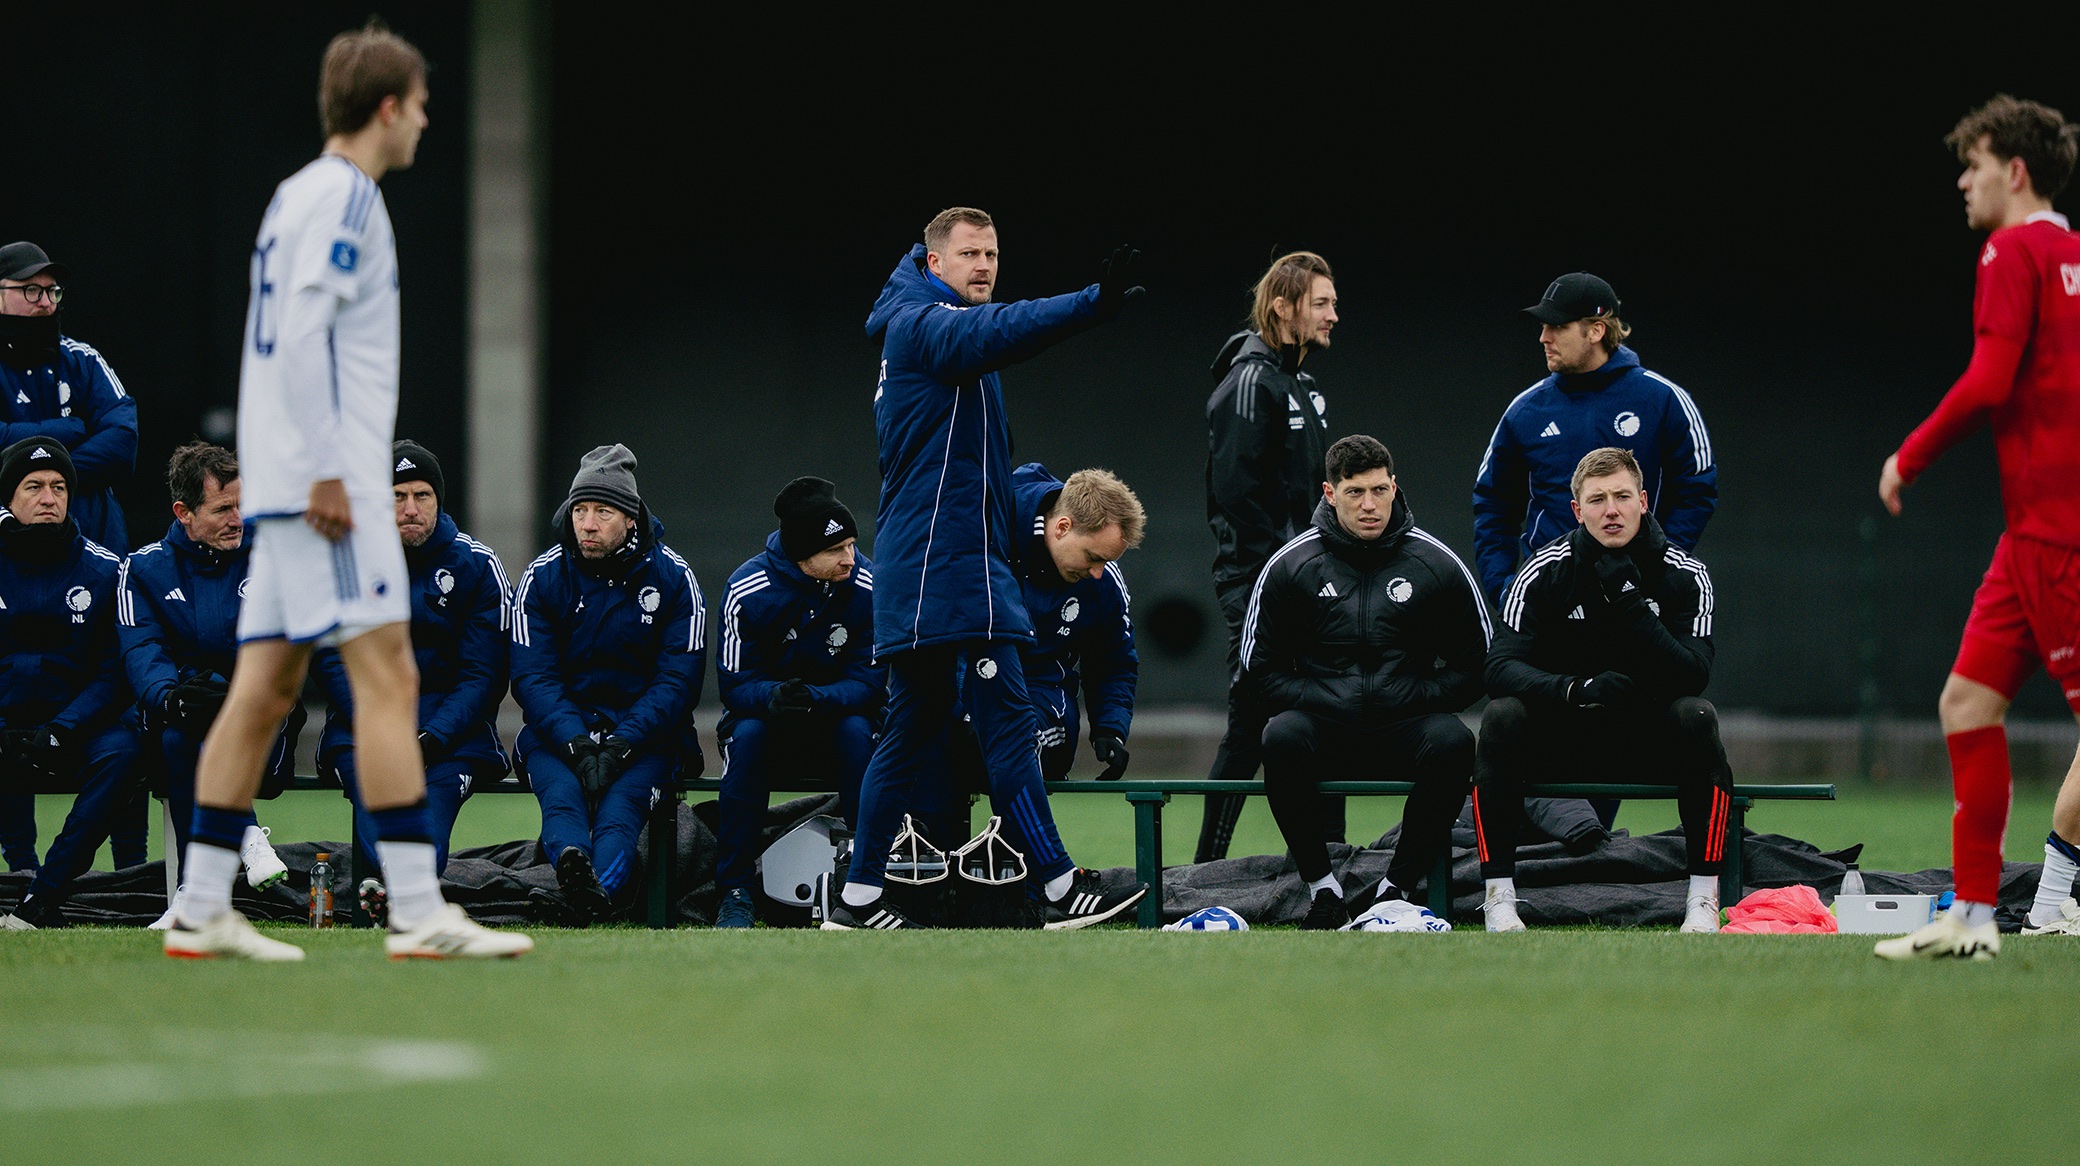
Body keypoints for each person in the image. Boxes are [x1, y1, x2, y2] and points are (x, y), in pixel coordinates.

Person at [163, 22, 530, 960]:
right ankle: (416, 909)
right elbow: (304, 334)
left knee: (262, 689)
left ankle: (202, 904)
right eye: (421, 106)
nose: (425, 124)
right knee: (388, 678)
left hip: (291, 483)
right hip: (324, 488)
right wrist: (330, 467)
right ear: (388, 108)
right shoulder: (350, 199)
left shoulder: (298, 193)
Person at [826, 205, 1148, 930]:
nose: (984, 268)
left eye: (993, 255)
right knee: (1007, 728)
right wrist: (1092, 304)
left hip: (940, 565)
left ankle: (856, 899)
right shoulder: (925, 326)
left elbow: (988, 468)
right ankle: (1060, 888)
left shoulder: (931, 328)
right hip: (950, 566)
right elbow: (1002, 330)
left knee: (910, 729)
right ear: (934, 263)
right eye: (970, 255)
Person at [1875, 96, 2080, 961]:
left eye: (1975, 165)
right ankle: (1974, 914)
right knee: (1965, 702)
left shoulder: (2012, 247)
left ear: (2016, 172)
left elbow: (1991, 378)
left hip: (2057, 531)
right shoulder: (2073, 253)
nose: (1965, 181)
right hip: (2029, 532)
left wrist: (1908, 457)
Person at [1474, 447, 1728, 934]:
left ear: (1644, 501)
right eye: (1597, 500)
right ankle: (1499, 897)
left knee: (1697, 716)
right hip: (1565, 738)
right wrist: (1574, 689)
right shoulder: (1545, 569)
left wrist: (1630, 603)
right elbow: (1499, 667)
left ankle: (1702, 898)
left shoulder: (1685, 574)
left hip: (1646, 742)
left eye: (1621, 496)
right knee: (1501, 718)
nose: (1611, 510)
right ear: (1577, 510)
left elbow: (1693, 674)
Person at [1240, 435, 1488, 930]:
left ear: (1395, 488)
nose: (1370, 505)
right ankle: (1322, 889)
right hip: (1326, 727)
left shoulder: (1435, 562)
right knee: (1280, 735)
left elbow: (1478, 661)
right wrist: (1328, 698)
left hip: (1405, 726)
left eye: (1379, 490)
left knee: (1454, 741)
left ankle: (1395, 890)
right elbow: (1258, 668)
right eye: (1355, 492)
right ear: (1330, 494)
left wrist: (1417, 696)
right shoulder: (1292, 564)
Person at [313, 440, 512, 923]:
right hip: (366, 723)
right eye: (397, 496)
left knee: (432, 808)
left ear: (439, 500)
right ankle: (395, 897)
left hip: (450, 734)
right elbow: (333, 658)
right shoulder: (347, 560)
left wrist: (432, 735)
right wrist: (380, 722)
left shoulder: (476, 565)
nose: (409, 509)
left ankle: (394, 895)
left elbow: (484, 673)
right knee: (373, 796)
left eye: (422, 495)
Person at [511, 444, 705, 926]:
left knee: (621, 812)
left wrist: (622, 743)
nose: (588, 524)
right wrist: (575, 742)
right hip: (560, 736)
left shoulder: (675, 579)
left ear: (631, 519)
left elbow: (678, 681)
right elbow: (533, 675)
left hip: (646, 740)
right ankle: (578, 877)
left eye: (603, 511)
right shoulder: (543, 577)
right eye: (580, 510)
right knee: (561, 798)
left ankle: (581, 899)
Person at [116, 442, 298, 928]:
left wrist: (242, 693)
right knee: (180, 733)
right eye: (222, 509)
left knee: (192, 732)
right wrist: (171, 697)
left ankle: (190, 893)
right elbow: (141, 651)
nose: (237, 518)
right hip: (178, 720)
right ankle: (245, 839)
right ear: (184, 512)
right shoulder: (145, 568)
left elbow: (292, 642)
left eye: (243, 505)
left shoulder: (273, 553)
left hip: (264, 719)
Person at [1197, 251, 1337, 864]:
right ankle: (1201, 874)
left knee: (1320, 722)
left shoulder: (1300, 386)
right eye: (1322, 303)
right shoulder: (1250, 383)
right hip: (1263, 585)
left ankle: (1331, 865)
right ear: (1284, 308)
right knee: (1251, 721)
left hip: (1305, 582)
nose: (1335, 315)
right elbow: (1236, 497)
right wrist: (1288, 573)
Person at [1473, 272, 1716, 607]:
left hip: (1637, 602)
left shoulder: (1663, 400)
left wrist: (1656, 570)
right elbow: (1493, 503)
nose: (1544, 337)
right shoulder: (1525, 410)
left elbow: (1697, 490)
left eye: (1557, 326)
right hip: (1550, 604)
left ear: (1596, 331)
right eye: (1543, 327)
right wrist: (1504, 589)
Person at [712, 476, 881, 928]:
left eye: (851, 544)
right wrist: (772, 696)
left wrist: (817, 698)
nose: (851, 557)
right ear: (803, 557)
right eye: (836, 550)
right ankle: (735, 891)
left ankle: (867, 886)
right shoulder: (747, 589)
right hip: (768, 724)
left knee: (857, 731)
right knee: (746, 736)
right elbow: (734, 684)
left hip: (836, 720)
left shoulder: (868, 585)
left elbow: (872, 679)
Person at [0, 438, 140, 929]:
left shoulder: (105, 570)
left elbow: (113, 671)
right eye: (33, 486)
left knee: (125, 751)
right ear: (9, 499)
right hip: (6, 723)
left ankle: (45, 891)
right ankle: (22, 871)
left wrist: (64, 727)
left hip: (72, 727)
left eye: (59, 487)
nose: (48, 497)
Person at [951, 462, 1141, 788]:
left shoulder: (1104, 581)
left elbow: (1114, 661)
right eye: (1093, 557)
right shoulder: (984, 532)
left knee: (1015, 736)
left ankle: (1018, 840)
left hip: (1042, 693)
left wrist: (1110, 728)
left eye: (1108, 562)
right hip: (962, 681)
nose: (1099, 572)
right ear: (1062, 527)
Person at [0, 241, 140, 553]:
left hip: (94, 546)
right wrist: (70, 430)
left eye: (52, 291)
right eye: (31, 290)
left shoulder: (83, 359)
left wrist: (43, 472)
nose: (46, 302)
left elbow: (122, 443)